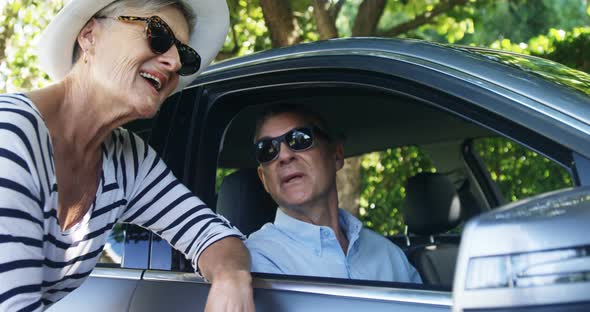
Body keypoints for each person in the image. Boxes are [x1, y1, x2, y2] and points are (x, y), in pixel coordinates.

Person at [0, 0, 254, 310]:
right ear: (89, 35)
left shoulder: (126, 158)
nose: (174, 62)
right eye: (157, 34)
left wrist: (232, 275)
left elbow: (209, 233)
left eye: (185, 55)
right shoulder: (10, 136)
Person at [245, 104, 422, 283]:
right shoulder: (254, 261)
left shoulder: (388, 255)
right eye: (267, 149)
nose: (284, 156)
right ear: (264, 179)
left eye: (299, 139)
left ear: (336, 155)